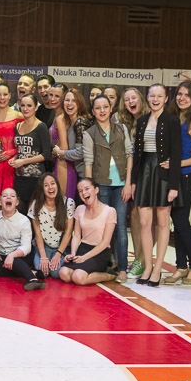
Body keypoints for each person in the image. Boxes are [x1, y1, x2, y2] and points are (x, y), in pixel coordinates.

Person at [131, 83, 181, 287]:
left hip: (163, 174)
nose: (155, 99)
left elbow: (176, 153)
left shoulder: (172, 120)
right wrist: (133, 181)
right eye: (152, 96)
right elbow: (137, 153)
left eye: (159, 96)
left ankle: (158, 269)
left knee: (162, 222)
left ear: (166, 98)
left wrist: (173, 185)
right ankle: (147, 266)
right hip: (144, 172)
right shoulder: (142, 121)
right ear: (147, 97)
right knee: (144, 222)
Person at [83, 95, 133, 283]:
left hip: (121, 185)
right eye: (98, 108)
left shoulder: (122, 129)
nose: (102, 111)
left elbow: (129, 155)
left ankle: (122, 268)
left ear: (111, 108)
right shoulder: (89, 133)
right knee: (103, 227)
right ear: (93, 111)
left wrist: (128, 183)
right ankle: (104, 264)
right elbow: (88, 162)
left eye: (105, 107)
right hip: (101, 184)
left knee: (120, 226)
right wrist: (89, 188)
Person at [164, 80, 191, 285]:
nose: (182, 98)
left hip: (187, 176)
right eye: (180, 94)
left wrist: (176, 164)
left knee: (181, 221)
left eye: (187, 95)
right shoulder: (172, 119)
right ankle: (181, 266)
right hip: (172, 176)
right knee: (176, 222)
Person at [0, 188, 45, 291]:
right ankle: (30, 272)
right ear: (0, 202)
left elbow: (26, 246)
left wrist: (12, 255)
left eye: (12, 196)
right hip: (2, 255)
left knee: (15, 262)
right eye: (5, 196)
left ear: (16, 202)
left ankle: (32, 279)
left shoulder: (24, 221)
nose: (8, 197)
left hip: (21, 255)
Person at [59, 178, 118, 285]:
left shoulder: (110, 211)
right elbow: (77, 235)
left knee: (78, 277)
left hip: (100, 252)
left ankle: (108, 275)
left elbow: (106, 242)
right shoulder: (80, 209)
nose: (84, 193)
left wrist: (85, 258)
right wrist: (73, 253)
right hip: (83, 248)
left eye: (87, 189)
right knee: (64, 273)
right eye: (80, 191)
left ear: (96, 190)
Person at [117, 87, 150, 279]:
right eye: (127, 99)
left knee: (152, 219)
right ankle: (139, 259)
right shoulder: (125, 123)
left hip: (151, 171)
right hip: (134, 172)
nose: (131, 102)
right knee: (136, 215)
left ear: (141, 99)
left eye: (133, 98)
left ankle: (143, 259)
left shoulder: (152, 119)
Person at [10, 93, 51, 214]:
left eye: (29, 105)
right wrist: (15, 158)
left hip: (35, 177)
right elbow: (21, 149)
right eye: (23, 105)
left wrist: (23, 161)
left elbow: (46, 154)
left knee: (34, 213)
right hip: (19, 176)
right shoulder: (17, 126)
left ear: (36, 107)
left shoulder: (41, 126)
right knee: (20, 211)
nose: (25, 108)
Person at [29, 173, 75, 279]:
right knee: (42, 271)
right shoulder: (35, 205)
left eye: (53, 183)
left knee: (56, 273)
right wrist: (43, 257)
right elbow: (38, 234)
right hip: (44, 246)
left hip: (61, 247)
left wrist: (58, 254)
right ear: (42, 189)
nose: (50, 187)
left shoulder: (68, 203)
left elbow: (68, 233)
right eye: (46, 185)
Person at [0, 83, 23, 198]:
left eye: (5, 94)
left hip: (11, 164)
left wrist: (11, 153)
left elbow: (24, 141)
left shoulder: (19, 116)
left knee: (9, 198)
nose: (2, 98)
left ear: (10, 96)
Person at [52, 89, 92, 198]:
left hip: (85, 175)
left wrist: (60, 152)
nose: (69, 103)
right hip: (78, 172)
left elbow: (80, 153)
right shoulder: (71, 122)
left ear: (79, 103)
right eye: (67, 100)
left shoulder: (80, 122)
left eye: (74, 101)